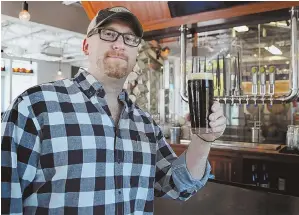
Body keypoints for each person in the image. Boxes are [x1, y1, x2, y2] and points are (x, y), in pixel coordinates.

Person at [1, 6, 226, 215]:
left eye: (129, 39)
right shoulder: (35, 105)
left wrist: (203, 140)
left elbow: (178, 186)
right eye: (108, 34)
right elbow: (5, 197)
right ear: (86, 46)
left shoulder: (144, 123)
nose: (120, 44)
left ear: (136, 52)